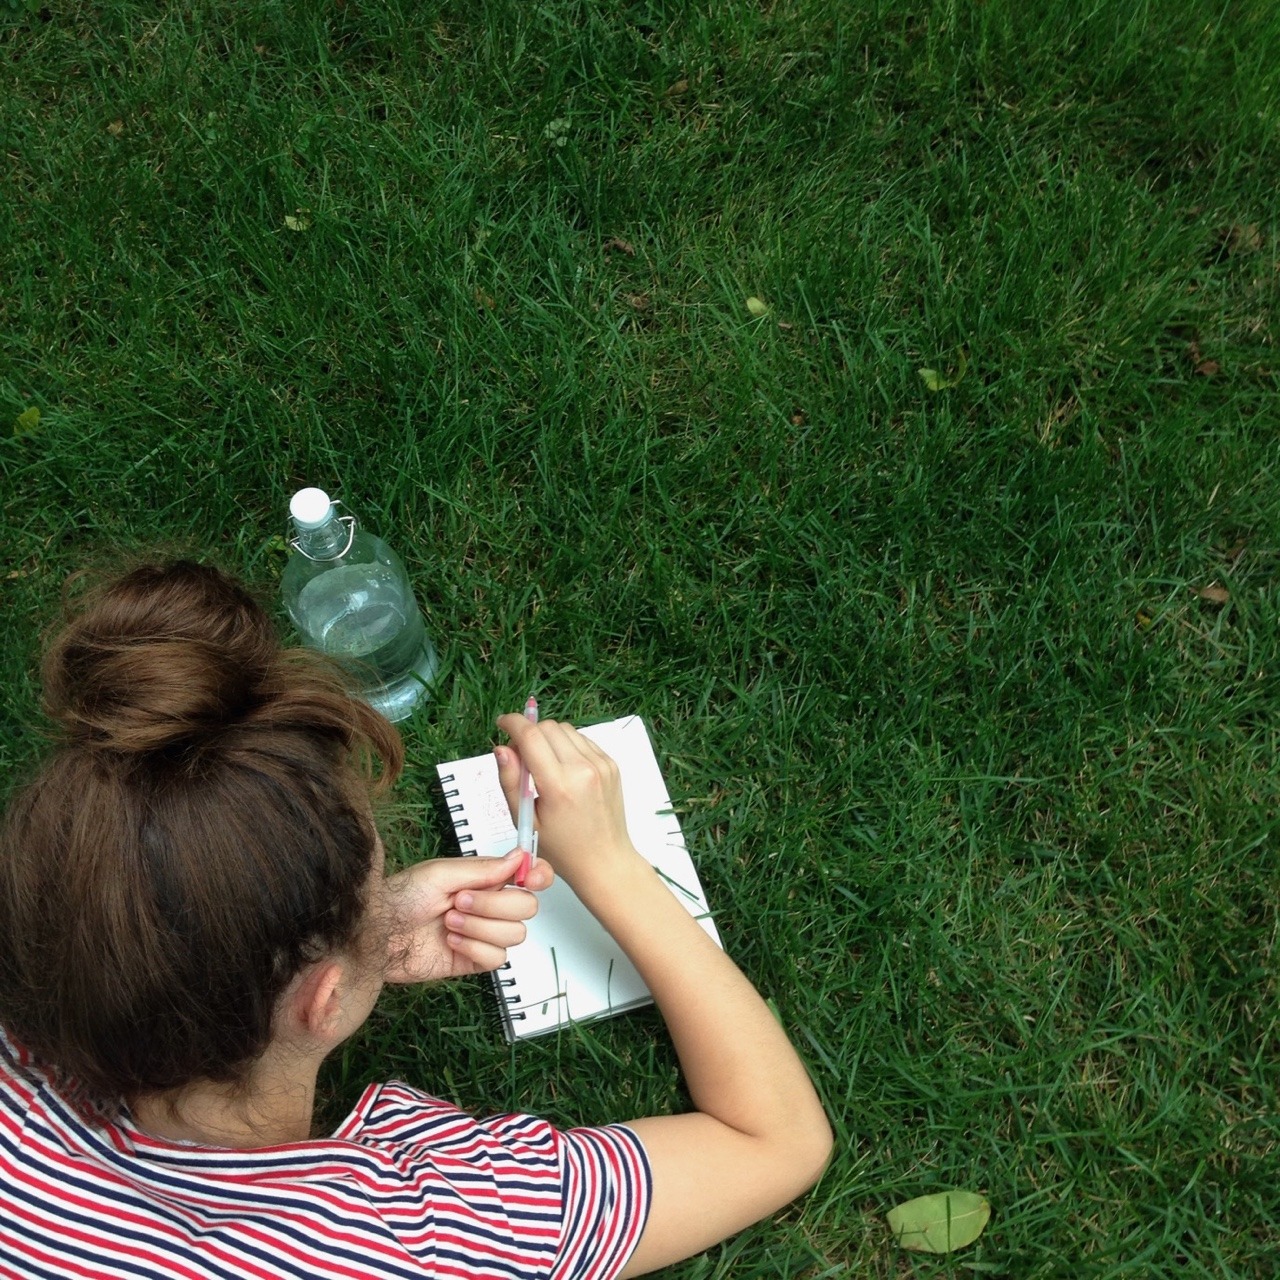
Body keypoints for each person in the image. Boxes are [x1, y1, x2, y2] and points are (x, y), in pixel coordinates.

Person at [0, 560, 832, 1279]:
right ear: (320, 1000)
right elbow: (773, 1139)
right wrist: (611, 865)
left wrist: (363, 937)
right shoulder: (399, 1242)